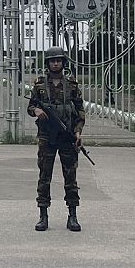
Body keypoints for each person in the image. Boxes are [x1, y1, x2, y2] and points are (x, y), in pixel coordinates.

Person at [27, 46, 85, 233]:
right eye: (52, 61)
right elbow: (30, 107)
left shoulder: (72, 85)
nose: (55, 64)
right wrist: (36, 110)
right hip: (47, 137)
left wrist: (78, 132)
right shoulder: (40, 85)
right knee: (45, 176)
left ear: (63, 63)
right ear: (48, 63)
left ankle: (72, 215)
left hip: (67, 137)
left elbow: (80, 111)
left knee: (70, 177)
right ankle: (43, 216)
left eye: (58, 60)